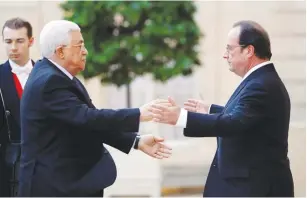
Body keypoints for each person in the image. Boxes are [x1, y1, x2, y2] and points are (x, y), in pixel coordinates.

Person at [18, 20, 172, 197]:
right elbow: (87, 118)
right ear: (60, 51)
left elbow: (89, 123)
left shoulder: (58, 76)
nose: (85, 52)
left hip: (66, 183)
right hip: (55, 187)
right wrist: (138, 114)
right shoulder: (50, 82)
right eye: (80, 46)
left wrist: (136, 141)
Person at [149, 20, 294, 197]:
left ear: (249, 50)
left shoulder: (261, 84)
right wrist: (210, 110)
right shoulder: (260, 80)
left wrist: (182, 117)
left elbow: (234, 123)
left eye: (229, 49)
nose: (225, 55)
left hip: (254, 189)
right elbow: (246, 118)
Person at [0, 17, 35, 197]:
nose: (13, 47)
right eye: (8, 41)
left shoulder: (46, 74)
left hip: (45, 168)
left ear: (31, 41)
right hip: (8, 169)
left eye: (19, 41)